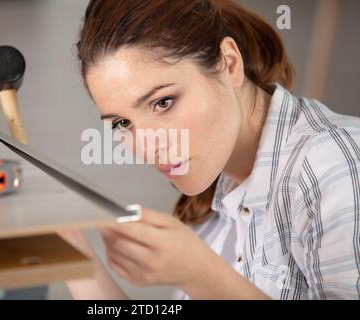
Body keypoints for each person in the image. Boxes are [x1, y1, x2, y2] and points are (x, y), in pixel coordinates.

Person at [59, 0, 360, 299]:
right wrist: (72, 254)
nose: (148, 148)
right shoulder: (212, 197)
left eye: (163, 102)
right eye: (123, 123)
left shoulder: (334, 164)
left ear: (229, 63)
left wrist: (200, 274)